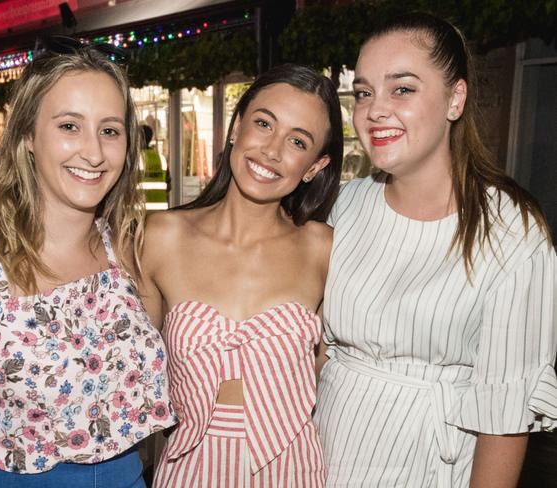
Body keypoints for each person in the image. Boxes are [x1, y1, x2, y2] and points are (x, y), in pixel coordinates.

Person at [0, 38, 175, 487]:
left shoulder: (131, 251)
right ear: (28, 135)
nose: (93, 152)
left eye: (110, 130)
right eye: (70, 126)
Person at [314, 12, 557, 487]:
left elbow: (504, 415)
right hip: (323, 453)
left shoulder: (512, 231)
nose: (375, 110)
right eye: (364, 93)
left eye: (402, 89)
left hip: (429, 466)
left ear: (455, 98)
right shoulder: (344, 205)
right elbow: (317, 349)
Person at [146, 64, 343, 486]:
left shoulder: (322, 248)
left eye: (297, 141)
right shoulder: (160, 236)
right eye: (263, 123)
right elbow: (122, 357)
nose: (272, 150)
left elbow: (335, 369)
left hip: (291, 469)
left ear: (315, 165)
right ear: (236, 128)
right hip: (189, 466)